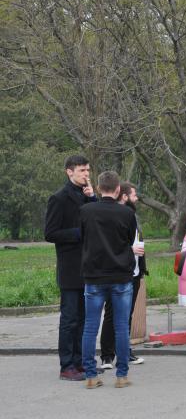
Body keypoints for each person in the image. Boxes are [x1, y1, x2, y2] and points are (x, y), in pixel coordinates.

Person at [80, 171, 137, 389]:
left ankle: (91, 375)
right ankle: (122, 375)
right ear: (117, 190)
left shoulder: (85, 211)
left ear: (99, 186)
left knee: (90, 327)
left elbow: (82, 236)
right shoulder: (126, 214)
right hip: (121, 275)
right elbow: (130, 239)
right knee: (121, 327)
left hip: (94, 275)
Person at [44, 155, 97, 381]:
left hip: (89, 267)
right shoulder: (58, 198)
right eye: (82, 170)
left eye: (88, 170)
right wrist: (77, 234)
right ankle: (66, 365)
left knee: (84, 318)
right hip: (69, 267)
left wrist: (93, 198)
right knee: (70, 318)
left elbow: (97, 222)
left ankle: (80, 361)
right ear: (69, 172)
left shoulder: (87, 197)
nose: (86, 174)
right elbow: (50, 233)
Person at [99, 182, 147, 370]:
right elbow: (110, 245)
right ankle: (107, 356)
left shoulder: (132, 216)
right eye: (134, 195)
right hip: (117, 273)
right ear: (124, 196)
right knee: (112, 315)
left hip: (133, 272)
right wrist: (130, 249)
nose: (137, 199)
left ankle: (124, 352)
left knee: (127, 315)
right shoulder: (114, 215)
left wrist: (141, 268)